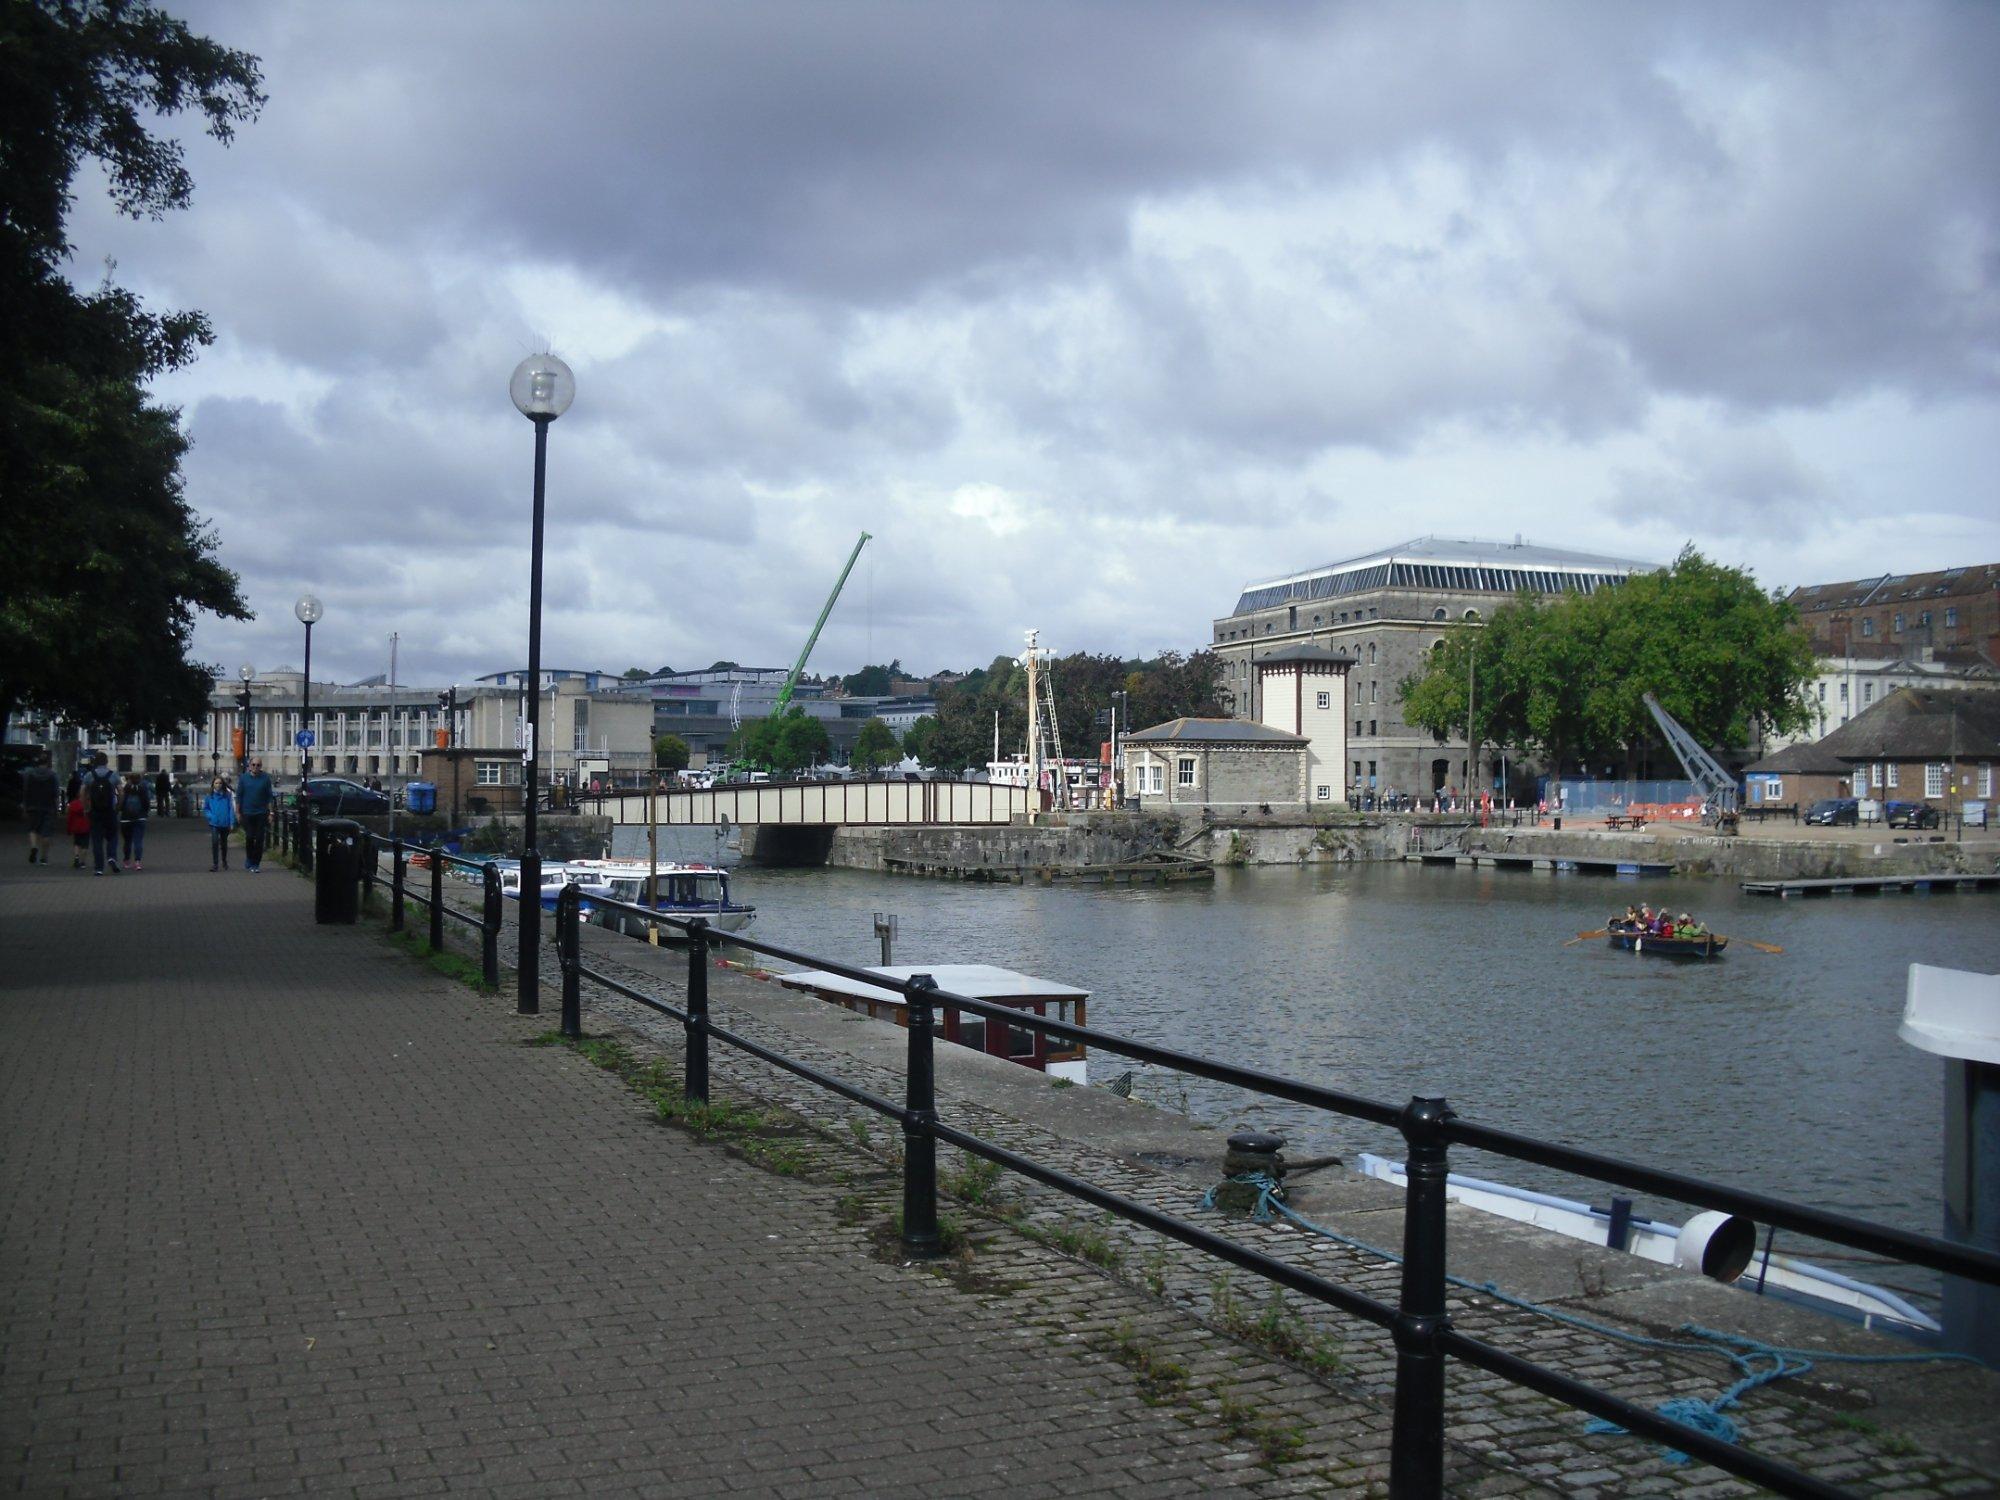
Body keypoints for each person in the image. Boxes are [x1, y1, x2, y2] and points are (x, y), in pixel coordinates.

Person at [81, 751, 122, 875]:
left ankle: (98, 868)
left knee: (97, 839)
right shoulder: (113, 775)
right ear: (106, 761)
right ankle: (111, 857)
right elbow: (121, 792)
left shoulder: (89, 775)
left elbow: (82, 792)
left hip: (95, 811)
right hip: (109, 810)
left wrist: (86, 807)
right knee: (112, 836)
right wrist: (118, 807)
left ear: (94, 762)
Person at [237, 757, 275, 873]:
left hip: (261, 813)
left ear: (261, 766)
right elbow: (239, 796)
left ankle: (256, 863)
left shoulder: (265, 779)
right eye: (253, 765)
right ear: (249, 766)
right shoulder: (243, 779)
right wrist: (238, 812)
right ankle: (249, 858)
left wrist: (271, 813)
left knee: (259, 838)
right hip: (247, 812)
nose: (255, 767)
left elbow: (269, 797)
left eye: (258, 765)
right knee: (249, 837)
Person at [21, 749, 60, 864]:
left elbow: (25, 791)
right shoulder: (53, 775)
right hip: (48, 807)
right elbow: (56, 794)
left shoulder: (29, 774)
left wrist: (24, 806)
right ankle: (44, 857)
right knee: (46, 833)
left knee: (33, 829)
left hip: (32, 805)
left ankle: (34, 847)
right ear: (47, 763)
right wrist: (57, 809)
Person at [203, 776, 238, 872]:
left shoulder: (227, 795)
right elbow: (206, 809)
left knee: (224, 843)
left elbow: (231, 809)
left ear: (223, 785)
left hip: (225, 822)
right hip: (214, 823)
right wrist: (211, 816)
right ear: (213, 785)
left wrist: (231, 822)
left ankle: (224, 861)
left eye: (220, 783)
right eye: (216, 783)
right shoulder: (209, 796)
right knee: (214, 843)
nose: (218, 785)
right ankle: (215, 864)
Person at [118, 772, 151, 870]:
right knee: (138, 841)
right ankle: (137, 862)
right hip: (140, 818)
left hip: (126, 819)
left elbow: (121, 803)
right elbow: (146, 803)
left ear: (129, 779)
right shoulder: (143, 789)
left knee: (127, 841)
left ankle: (127, 861)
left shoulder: (126, 789)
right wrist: (145, 813)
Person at [65, 786, 91, 868]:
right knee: (85, 845)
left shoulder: (73, 804)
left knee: (77, 843)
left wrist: (69, 828)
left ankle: (76, 856)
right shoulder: (89, 804)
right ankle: (83, 862)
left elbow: (69, 818)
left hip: (76, 827)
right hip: (86, 827)